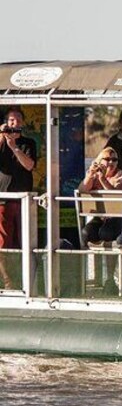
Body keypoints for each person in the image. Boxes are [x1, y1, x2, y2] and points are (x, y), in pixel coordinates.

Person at [78, 147, 122, 295]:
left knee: (106, 233)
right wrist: (90, 175)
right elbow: (81, 190)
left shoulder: (121, 175)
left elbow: (117, 196)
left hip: (117, 216)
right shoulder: (94, 174)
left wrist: (102, 180)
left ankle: (110, 278)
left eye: (114, 160)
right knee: (85, 233)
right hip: (99, 216)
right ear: (100, 161)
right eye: (107, 159)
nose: (111, 163)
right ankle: (85, 278)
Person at [0, 107, 37, 290]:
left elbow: (29, 165)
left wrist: (14, 146)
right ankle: (8, 282)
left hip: (23, 198)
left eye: (17, 121)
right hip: (3, 199)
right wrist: (2, 138)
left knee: (24, 239)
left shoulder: (28, 143)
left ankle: (27, 280)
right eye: (11, 121)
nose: (14, 124)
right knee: (4, 242)